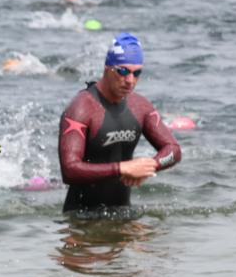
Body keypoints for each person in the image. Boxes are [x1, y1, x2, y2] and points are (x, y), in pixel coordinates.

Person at [58, 32, 180, 213]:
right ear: (107, 68)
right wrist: (122, 168)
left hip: (123, 214)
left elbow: (174, 150)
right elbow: (69, 170)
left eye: (136, 73)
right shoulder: (82, 108)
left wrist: (151, 165)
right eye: (123, 71)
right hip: (81, 219)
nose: (130, 80)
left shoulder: (140, 106)